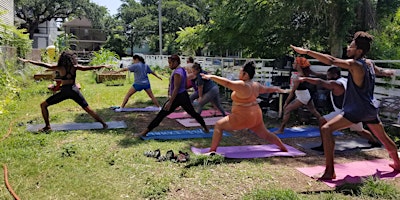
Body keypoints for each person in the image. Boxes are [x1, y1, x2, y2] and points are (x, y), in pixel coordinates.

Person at [291, 31, 400, 180]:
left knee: (326, 129)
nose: (348, 47)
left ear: (359, 50)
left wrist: (307, 52)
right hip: (369, 109)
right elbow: (380, 71)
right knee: (384, 139)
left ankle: (330, 172)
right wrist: (390, 73)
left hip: (357, 110)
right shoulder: (369, 63)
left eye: (351, 45)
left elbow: (331, 60)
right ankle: (398, 164)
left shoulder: (354, 65)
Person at [200, 61, 288, 153]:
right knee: (266, 134)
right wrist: (278, 89)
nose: (239, 74)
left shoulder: (242, 85)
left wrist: (211, 77)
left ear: (245, 74)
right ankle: (282, 147)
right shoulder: (255, 85)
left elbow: (227, 83)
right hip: (256, 114)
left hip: (243, 115)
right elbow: (267, 89)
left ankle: (212, 151)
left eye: (240, 72)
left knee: (219, 125)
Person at [19, 51, 109, 131]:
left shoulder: (60, 67)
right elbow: (90, 67)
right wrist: (103, 65)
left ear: (61, 59)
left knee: (43, 105)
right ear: (72, 59)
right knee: (88, 109)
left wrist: (29, 61)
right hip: (74, 90)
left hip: (65, 91)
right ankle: (104, 124)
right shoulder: (75, 67)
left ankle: (47, 126)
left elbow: (45, 65)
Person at [298, 67, 380, 151]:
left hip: (343, 112)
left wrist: (305, 78)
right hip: (353, 111)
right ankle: (374, 141)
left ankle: (325, 146)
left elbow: (320, 82)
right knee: (360, 130)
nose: (327, 77)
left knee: (322, 121)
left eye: (329, 75)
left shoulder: (337, 84)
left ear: (335, 75)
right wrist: (311, 73)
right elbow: (321, 77)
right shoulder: (345, 80)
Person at [136, 55, 209, 137]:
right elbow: (181, 85)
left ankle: (144, 132)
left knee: (162, 114)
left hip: (179, 96)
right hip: (182, 95)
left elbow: (176, 88)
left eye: (170, 63)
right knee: (192, 113)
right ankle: (205, 128)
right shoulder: (181, 69)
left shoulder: (178, 72)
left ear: (176, 62)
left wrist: (170, 102)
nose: (169, 65)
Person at [273, 57, 323, 134]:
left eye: (295, 63)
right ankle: (324, 125)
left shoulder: (298, 77)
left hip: (303, 96)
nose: (293, 64)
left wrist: (286, 103)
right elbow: (318, 75)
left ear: (299, 65)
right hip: (306, 94)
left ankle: (281, 130)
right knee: (314, 111)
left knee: (287, 109)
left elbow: (292, 92)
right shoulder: (305, 73)